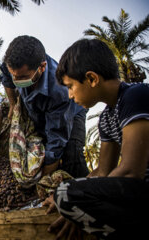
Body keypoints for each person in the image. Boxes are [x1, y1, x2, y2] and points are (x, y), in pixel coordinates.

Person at [43, 38, 149, 240]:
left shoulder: (135, 96)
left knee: (65, 192)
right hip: (134, 197)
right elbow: (103, 171)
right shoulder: (106, 118)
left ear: (91, 79)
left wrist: (72, 197)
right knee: (65, 192)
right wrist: (76, 207)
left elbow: (130, 170)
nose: (70, 95)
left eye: (71, 86)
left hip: (141, 191)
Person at [0, 35, 89, 178]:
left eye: (22, 77)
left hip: (71, 111)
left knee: (72, 156)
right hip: (36, 109)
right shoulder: (11, 64)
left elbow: (56, 137)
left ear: (42, 67)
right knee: (38, 143)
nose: (16, 81)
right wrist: (11, 104)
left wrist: (43, 179)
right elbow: (6, 78)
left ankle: (83, 193)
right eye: (13, 75)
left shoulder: (59, 91)